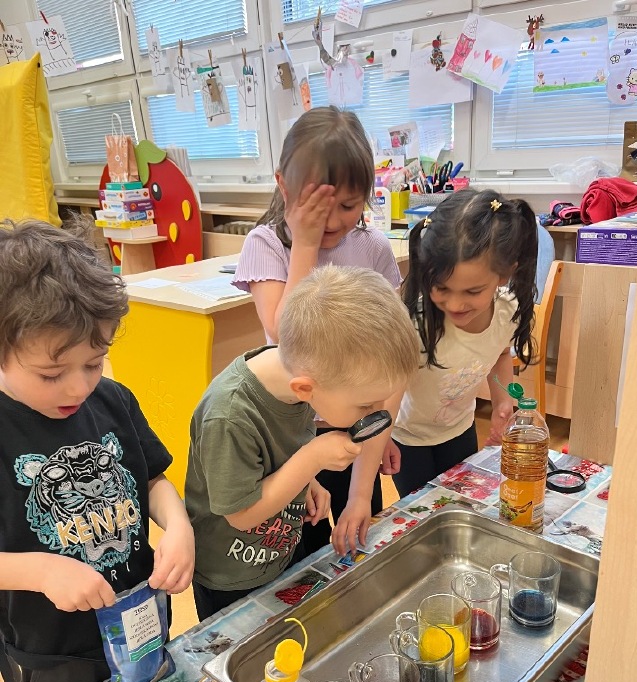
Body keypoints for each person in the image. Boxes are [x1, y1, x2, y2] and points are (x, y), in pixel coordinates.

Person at [0, 220, 195, 682]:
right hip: (55, 655)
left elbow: (152, 479)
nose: (78, 388)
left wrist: (178, 525)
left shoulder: (113, 401)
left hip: (140, 617)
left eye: (94, 363)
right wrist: (41, 572)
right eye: (51, 374)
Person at [185, 266, 419, 622]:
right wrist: (311, 461)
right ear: (305, 389)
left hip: (279, 550)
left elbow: (279, 453)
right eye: (365, 405)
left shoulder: (298, 380)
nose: (373, 414)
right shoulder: (229, 416)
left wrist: (307, 482)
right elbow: (241, 514)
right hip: (231, 574)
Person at [233, 106, 403, 555]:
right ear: (284, 187)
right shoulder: (267, 244)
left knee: (359, 537)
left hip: (360, 425)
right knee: (301, 555)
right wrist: (304, 243)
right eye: (316, 207)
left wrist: (364, 485)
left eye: (348, 206)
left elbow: (392, 360)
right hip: (293, 437)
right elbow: (286, 335)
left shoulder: (372, 246)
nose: (332, 221)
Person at [391, 189, 538, 497]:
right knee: (419, 510)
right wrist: (379, 442)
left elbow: (500, 353)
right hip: (407, 439)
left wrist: (502, 400)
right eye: (441, 288)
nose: (456, 304)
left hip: (460, 429)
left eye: (472, 292)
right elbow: (387, 388)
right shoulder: (416, 322)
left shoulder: (506, 311)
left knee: (460, 501)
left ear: (504, 275)